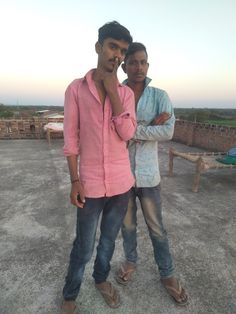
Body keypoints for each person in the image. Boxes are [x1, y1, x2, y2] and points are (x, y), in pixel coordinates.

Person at [61, 21, 136, 314]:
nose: (117, 55)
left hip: (120, 184)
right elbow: (71, 139)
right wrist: (74, 180)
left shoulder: (126, 94)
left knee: (108, 241)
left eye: (122, 51)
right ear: (98, 47)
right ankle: (70, 295)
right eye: (112, 47)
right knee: (84, 245)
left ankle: (101, 279)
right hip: (89, 185)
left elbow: (127, 133)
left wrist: (113, 91)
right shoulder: (76, 90)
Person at [116, 42, 188, 306]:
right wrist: (147, 125)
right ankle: (131, 261)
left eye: (143, 62)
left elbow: (168, 132)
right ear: (124, 65)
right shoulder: (116, 93)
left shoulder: (159, 96)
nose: (138, 67)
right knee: (127, 226)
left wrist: (132, 130)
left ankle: (167, 274)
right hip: (121, 174)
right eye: (133, 62)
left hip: (148, 176)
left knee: (157, 229)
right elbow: (111, 131)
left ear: (148, 64)